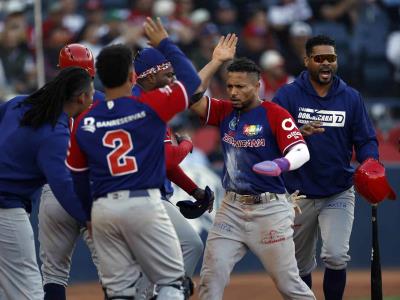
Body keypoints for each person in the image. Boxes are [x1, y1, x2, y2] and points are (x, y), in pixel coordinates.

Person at [66, 17, 201, 300]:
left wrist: (89, 214)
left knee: (120, 293)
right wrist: (165, 41)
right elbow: (191, 80)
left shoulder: (86, 120)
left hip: (103, 209)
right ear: (132, 77)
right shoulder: (150, 107)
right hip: (143, 203)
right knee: (172, 285)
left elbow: (78, 175)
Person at [190, 41, 316, 298]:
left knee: (289, 285)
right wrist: (216, 61)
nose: (233, 92)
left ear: (256, 86)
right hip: (231, 209)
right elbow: (192, 96)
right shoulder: (224, 111)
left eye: (240, 87)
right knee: (210, 280)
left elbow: (302, 151)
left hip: (269, 209)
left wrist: (281, 164)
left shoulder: (274, 114)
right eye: (230, 86)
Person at [273, 35, 380, 300]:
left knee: (335, 255)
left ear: (336, 61)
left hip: (338, 190)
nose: (325, 64)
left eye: (330, 58)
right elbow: (269, 136)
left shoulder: (351, 97)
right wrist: (298, 133)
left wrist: (371, 163)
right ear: (307, 60)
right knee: (299, 265)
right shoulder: (288, 95)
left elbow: (366, 140)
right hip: (297, 194)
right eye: (319, 58)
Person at [0, 66, 94, 300]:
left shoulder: (18, 103)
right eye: (91, 94)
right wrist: (90, 218)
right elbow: (63, 186)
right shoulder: (55, 133)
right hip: (6, 209)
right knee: (29, 291)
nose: (93, 100)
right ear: (80, 97)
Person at [38, 43, 106, 300]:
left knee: (54, 275)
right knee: (113, 272)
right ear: (91, 73)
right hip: (91, 190)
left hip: (53, 190)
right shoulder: (103, 101)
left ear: (60, 72)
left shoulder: (42, 103)